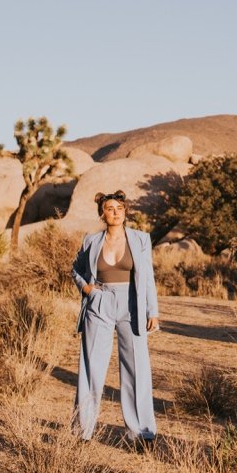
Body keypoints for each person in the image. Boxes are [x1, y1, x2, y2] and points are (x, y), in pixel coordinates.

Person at [72, 190, 160, 443]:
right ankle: (82, 432)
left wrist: (152, 310)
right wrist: (85, 288)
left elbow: (148, 277)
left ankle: (142, 433)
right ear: (102, 213)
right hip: (99, 303)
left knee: (136, 368)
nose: (116, 212)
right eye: (110, 208)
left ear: (125, 212)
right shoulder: (91, 241)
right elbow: (75, 269)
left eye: (120, 208)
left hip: (132, 304)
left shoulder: (141, 239)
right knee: (91, 367)